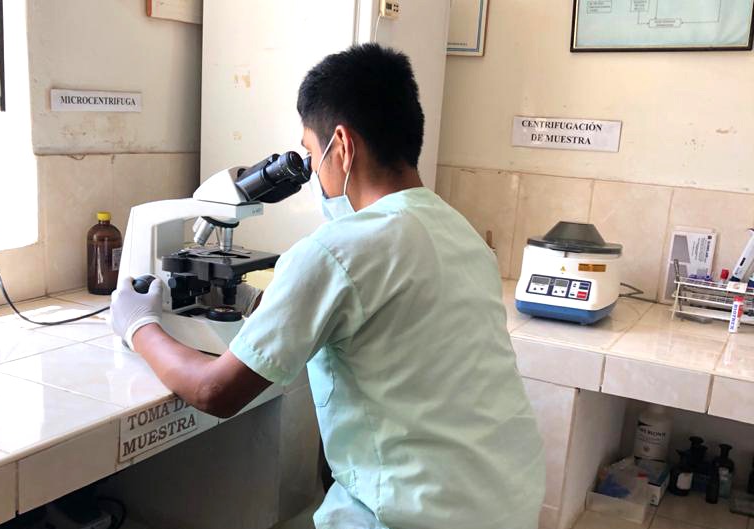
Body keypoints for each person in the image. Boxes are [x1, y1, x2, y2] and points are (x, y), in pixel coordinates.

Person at [110, 43, 545, 529]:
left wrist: (139, 325)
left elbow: (215, 392)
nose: (313, 170)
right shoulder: (460, 232)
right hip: (507, 504)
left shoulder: (338, 249)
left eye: (312, 153)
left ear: (341, 145)